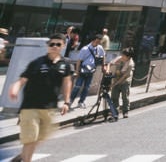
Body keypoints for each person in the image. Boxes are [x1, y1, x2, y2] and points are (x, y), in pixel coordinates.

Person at [8, 33, 73, 162]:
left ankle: (22, 156)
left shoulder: (65, 64)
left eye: (58, 44)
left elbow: (67, 82)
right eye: (51, 44)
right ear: (48, 46)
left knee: (41, 137)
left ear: (63, 46)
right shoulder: (37, 63)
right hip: (30, 106)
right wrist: (15, 88)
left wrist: (67, 102)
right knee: (31, 138)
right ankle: (26, 159)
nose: (54, 46)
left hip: (49, 108)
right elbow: (22, 80)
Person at [70, 34, 106, 109]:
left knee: (87, 87)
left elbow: (103, 56)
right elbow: (79, 60)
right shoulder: (85, 49)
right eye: (97, 41)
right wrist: (76, 71)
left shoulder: (99, 48)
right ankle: (70, 101)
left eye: (99, 42)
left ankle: (81, 102)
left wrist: (103, 66)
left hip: (91, 70)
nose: (98, 43)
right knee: (77, 86)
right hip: (83, 70)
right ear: (93, 40)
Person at [108, 47, 135, 119]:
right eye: (122, 55)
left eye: (124, 56)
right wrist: (107, 69)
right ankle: (115, 112)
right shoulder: (120, 58)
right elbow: (111, 63)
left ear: (128, 57)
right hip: (116, 78)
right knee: (114, 97)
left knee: (125, 97)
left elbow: (124, 77)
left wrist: (114, 84)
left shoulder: (130, 64)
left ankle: (125, 111)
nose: (122, 56)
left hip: (125, 81)